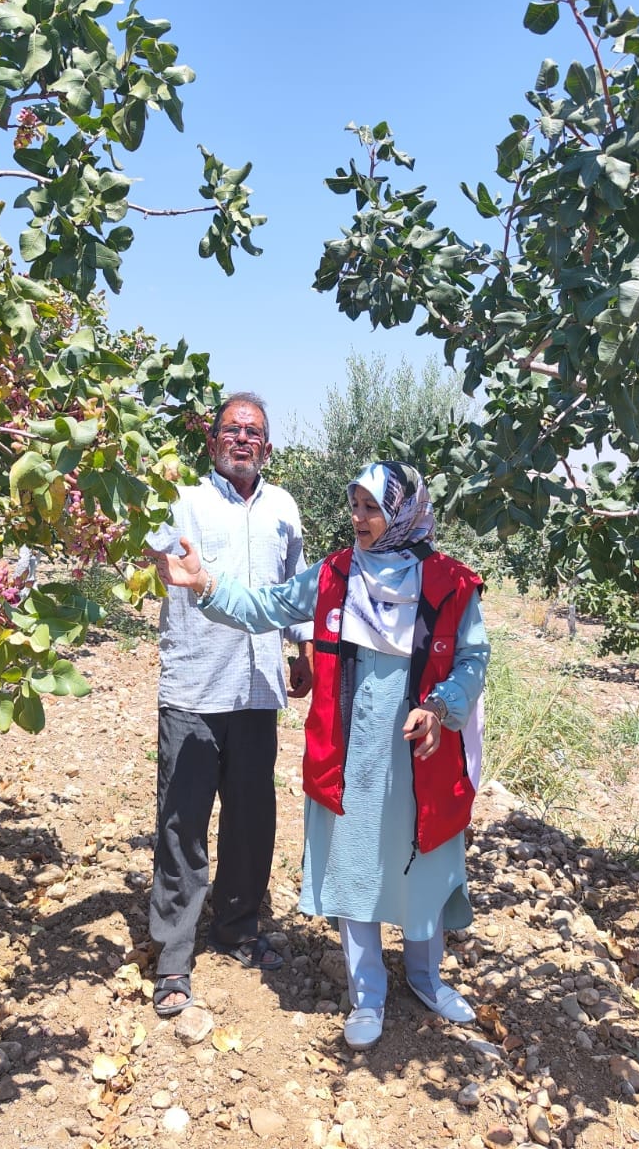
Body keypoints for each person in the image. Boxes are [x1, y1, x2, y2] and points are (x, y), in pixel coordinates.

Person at [156, 461, 490, 1050]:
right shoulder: (336, 574)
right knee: (356, 866)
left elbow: (472, 660)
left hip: (422, 753)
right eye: (355, 505)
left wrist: (440, 707)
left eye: (371, 507)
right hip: (353, 753)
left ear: (403, 512)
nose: (358, 518)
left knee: (424, 861)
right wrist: (205, 585)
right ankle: (369, 995)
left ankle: (425, 978)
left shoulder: (451, 584)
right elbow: (266, 607)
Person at [147, 393, 313, 1018]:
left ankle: (238, 927)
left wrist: (304, 650)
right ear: (213, 441)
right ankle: (172, 955)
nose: (242, 439)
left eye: (254, 432)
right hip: (193, 685)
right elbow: (153, 554)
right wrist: (161, 563)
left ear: (267, 448)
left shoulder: (284, 508)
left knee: (251, 818)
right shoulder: (185, 500)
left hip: (257, 691)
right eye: (231, 430)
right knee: (182, 822)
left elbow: (294, 588)